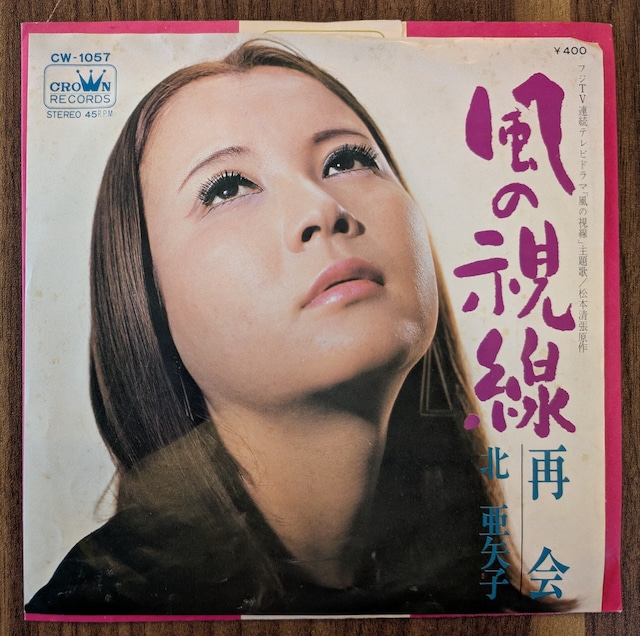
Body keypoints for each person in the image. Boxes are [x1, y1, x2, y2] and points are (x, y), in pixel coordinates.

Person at [26, 39, 558, 616]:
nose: (321, 207)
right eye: (227, 187)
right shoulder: (99, 608)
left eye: (346, 160)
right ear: (145, 298)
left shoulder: (483, 604)